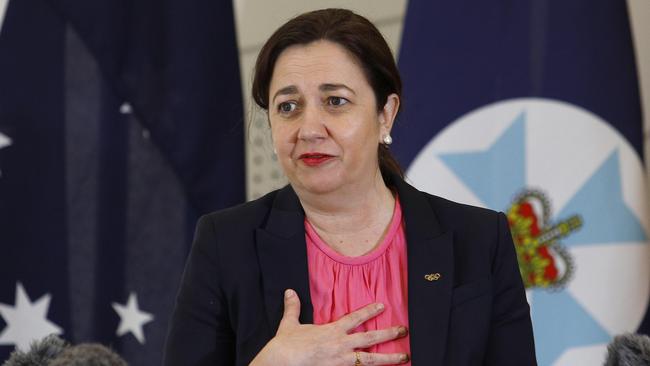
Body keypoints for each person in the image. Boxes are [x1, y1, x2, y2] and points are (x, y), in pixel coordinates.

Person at [163, 8, 537, 366]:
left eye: (335, 101)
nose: (309, 129)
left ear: (385, 113)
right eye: (288, 106)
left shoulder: (479, 241)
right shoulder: (225, 243)